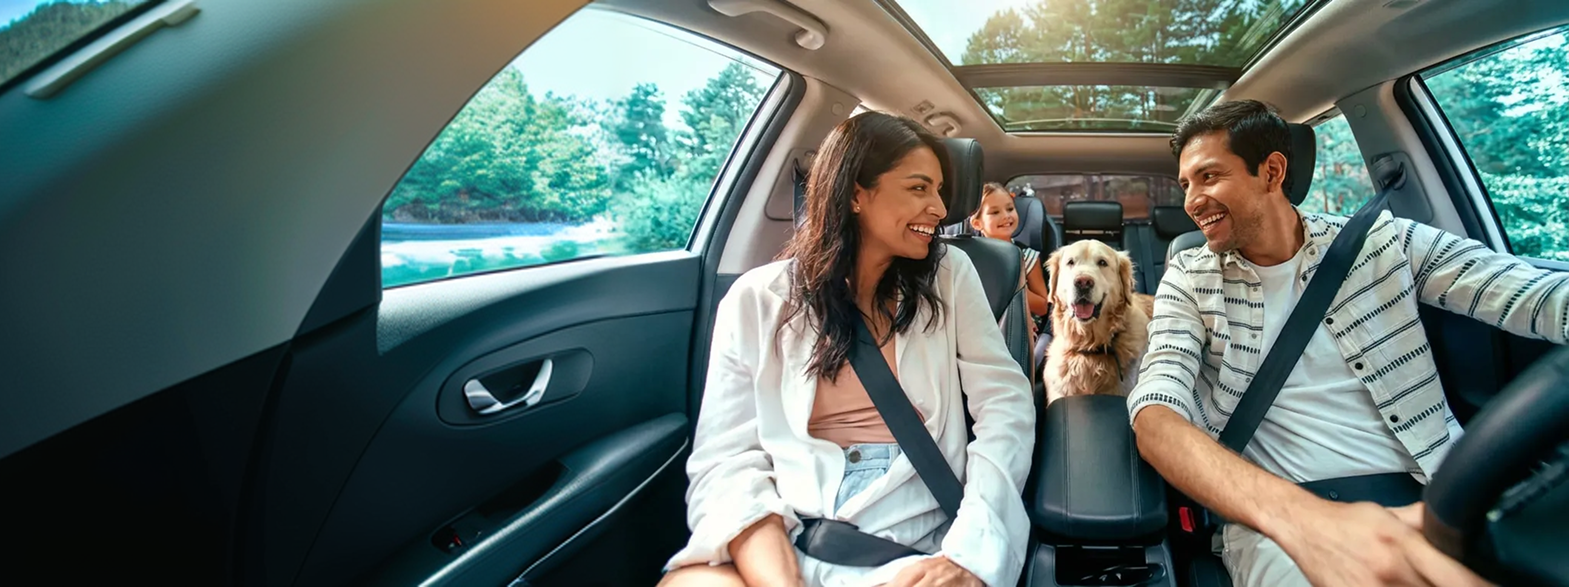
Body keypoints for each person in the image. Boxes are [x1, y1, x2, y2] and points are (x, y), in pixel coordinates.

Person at [1128, 99, 1569, 587]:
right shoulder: (1188, 278)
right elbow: (1156, 416)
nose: (1191, 200)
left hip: (1442, 497)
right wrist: (1305, 522)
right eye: (1186, 184)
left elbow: (1530, 293)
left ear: (1271, 171)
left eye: (1209, 177)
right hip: (1283, 517)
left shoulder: (1381, 242)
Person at [659, 112, 1035, 587]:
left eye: (940, 191)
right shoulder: (758, 299)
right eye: (919, 189)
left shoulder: (950, 274)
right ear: (856, 193)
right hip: (787, 532)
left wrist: (969, 555)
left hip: (911, 541)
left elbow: (1005, 407)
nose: (940, 209)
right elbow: (726, 461)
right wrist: (781, 578)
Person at [968, 182, 1052, 370]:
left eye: (1010, 209)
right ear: (976, 222)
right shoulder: (969, 258)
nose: (1006, 216)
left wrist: (1014, 290)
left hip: (1021, 327)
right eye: (995, 212)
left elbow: (1042, 306)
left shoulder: (1027, 256)